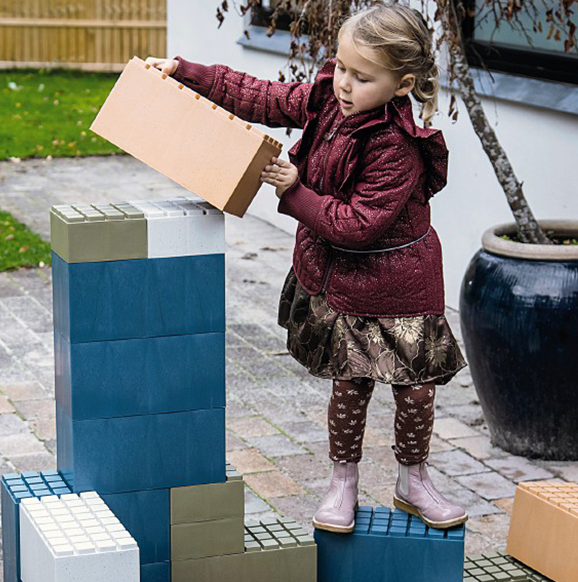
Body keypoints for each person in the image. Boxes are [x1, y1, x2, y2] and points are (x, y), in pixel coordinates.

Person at [147, 0, 468, 533]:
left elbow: (357, 224)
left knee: (414, 390)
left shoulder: (398, 149)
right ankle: (343, 482)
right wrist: (187, 72)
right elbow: (260, 95)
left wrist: (295, 191)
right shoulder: (325, 100)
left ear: (403, 84)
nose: (343, 84)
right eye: (341, 67)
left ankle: (414, 479)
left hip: (401, 285)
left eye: (362, 77)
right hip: (344, 282)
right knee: (350, 383)